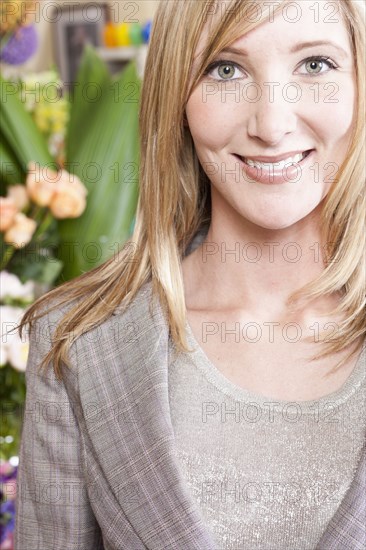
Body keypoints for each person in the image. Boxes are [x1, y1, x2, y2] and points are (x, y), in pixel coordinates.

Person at [14, 0, 365, 548]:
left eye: (315, 65)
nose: (271, 125)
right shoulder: (80, 341)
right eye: (225, 69)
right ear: (176, 96)